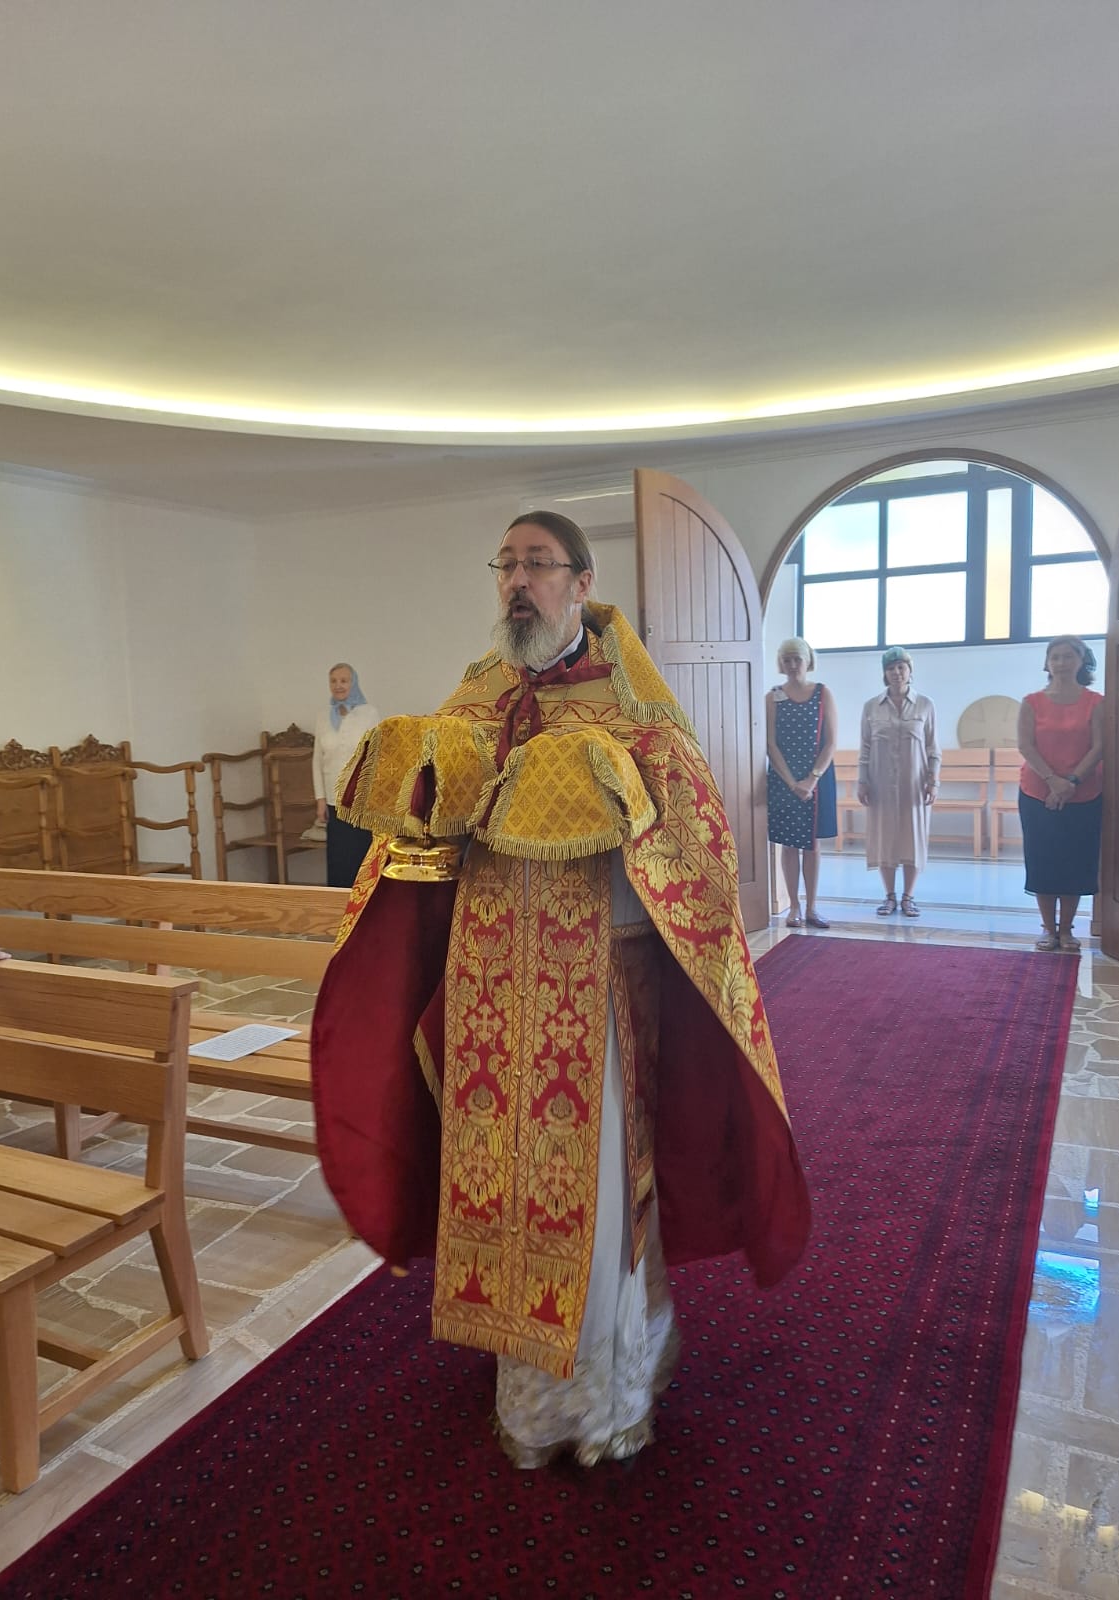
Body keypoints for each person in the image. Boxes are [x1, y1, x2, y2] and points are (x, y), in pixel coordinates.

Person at [312, 511, 809, 1472]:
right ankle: (529, 1387)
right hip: (490, 978)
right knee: (500, 1184)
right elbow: (431, 824)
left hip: (597, 980)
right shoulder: (481, 688)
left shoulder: (633, 699)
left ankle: (601, 1395)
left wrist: (605, 789)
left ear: (582, 582)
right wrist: (423, 785)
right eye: (505, 564)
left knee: (594, 1183)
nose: (517, 581)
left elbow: (692, 835)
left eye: (536, 564)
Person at [1016, 634, 1103, 953]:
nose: (1062, 662)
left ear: (1081, 661)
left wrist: (1071, 782)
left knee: (1074, 861)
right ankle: (1048, 929)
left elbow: (1100, 746)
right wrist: (1053, 781)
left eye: (1069, 656)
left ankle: (1067, 930)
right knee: (1043, 860)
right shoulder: (1031, 702)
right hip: (1038, 791)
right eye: (1055, 657)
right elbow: (1026, 746)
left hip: (1084, 792)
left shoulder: (1096, 702)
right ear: (1047, 663)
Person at [857, 646, 941, 918]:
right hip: (880, 783)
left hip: (914, 785)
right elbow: (865, 748)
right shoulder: (871, 706)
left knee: (912, 838)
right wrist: (862, 781)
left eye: (901, 667)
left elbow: (933, 748)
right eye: (891, 668)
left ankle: (908, 897)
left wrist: (933, 781)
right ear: (885, 673)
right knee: (885, 838)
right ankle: (889, 896)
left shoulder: (925, 705)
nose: (896, 673)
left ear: (909, 670)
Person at [765, 637, 838, 929]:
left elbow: (831, 742)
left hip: (817, 777)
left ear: (808, 661)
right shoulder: (773, 697)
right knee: (789, 845)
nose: (793, 665)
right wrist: (791, 782)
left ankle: (812, 907)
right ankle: (793, 907)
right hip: (784, 779)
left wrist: (811, 779)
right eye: (787, 660)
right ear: (781, 664)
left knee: (812, 844)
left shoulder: (823, 693)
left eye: (798, 659)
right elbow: (770, 744)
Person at [312, 663, 379, 887]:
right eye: (333, 681)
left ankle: (361, 902)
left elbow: (376, 756)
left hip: (361, 801)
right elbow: (317, 760)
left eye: (344, 681)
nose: (338, 685)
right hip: (334, 800)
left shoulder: (369, 714)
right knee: (338, 857)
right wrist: (320, 799)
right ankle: (336, 904)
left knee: (359, 856)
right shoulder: (323, 716)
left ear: (353, 683)